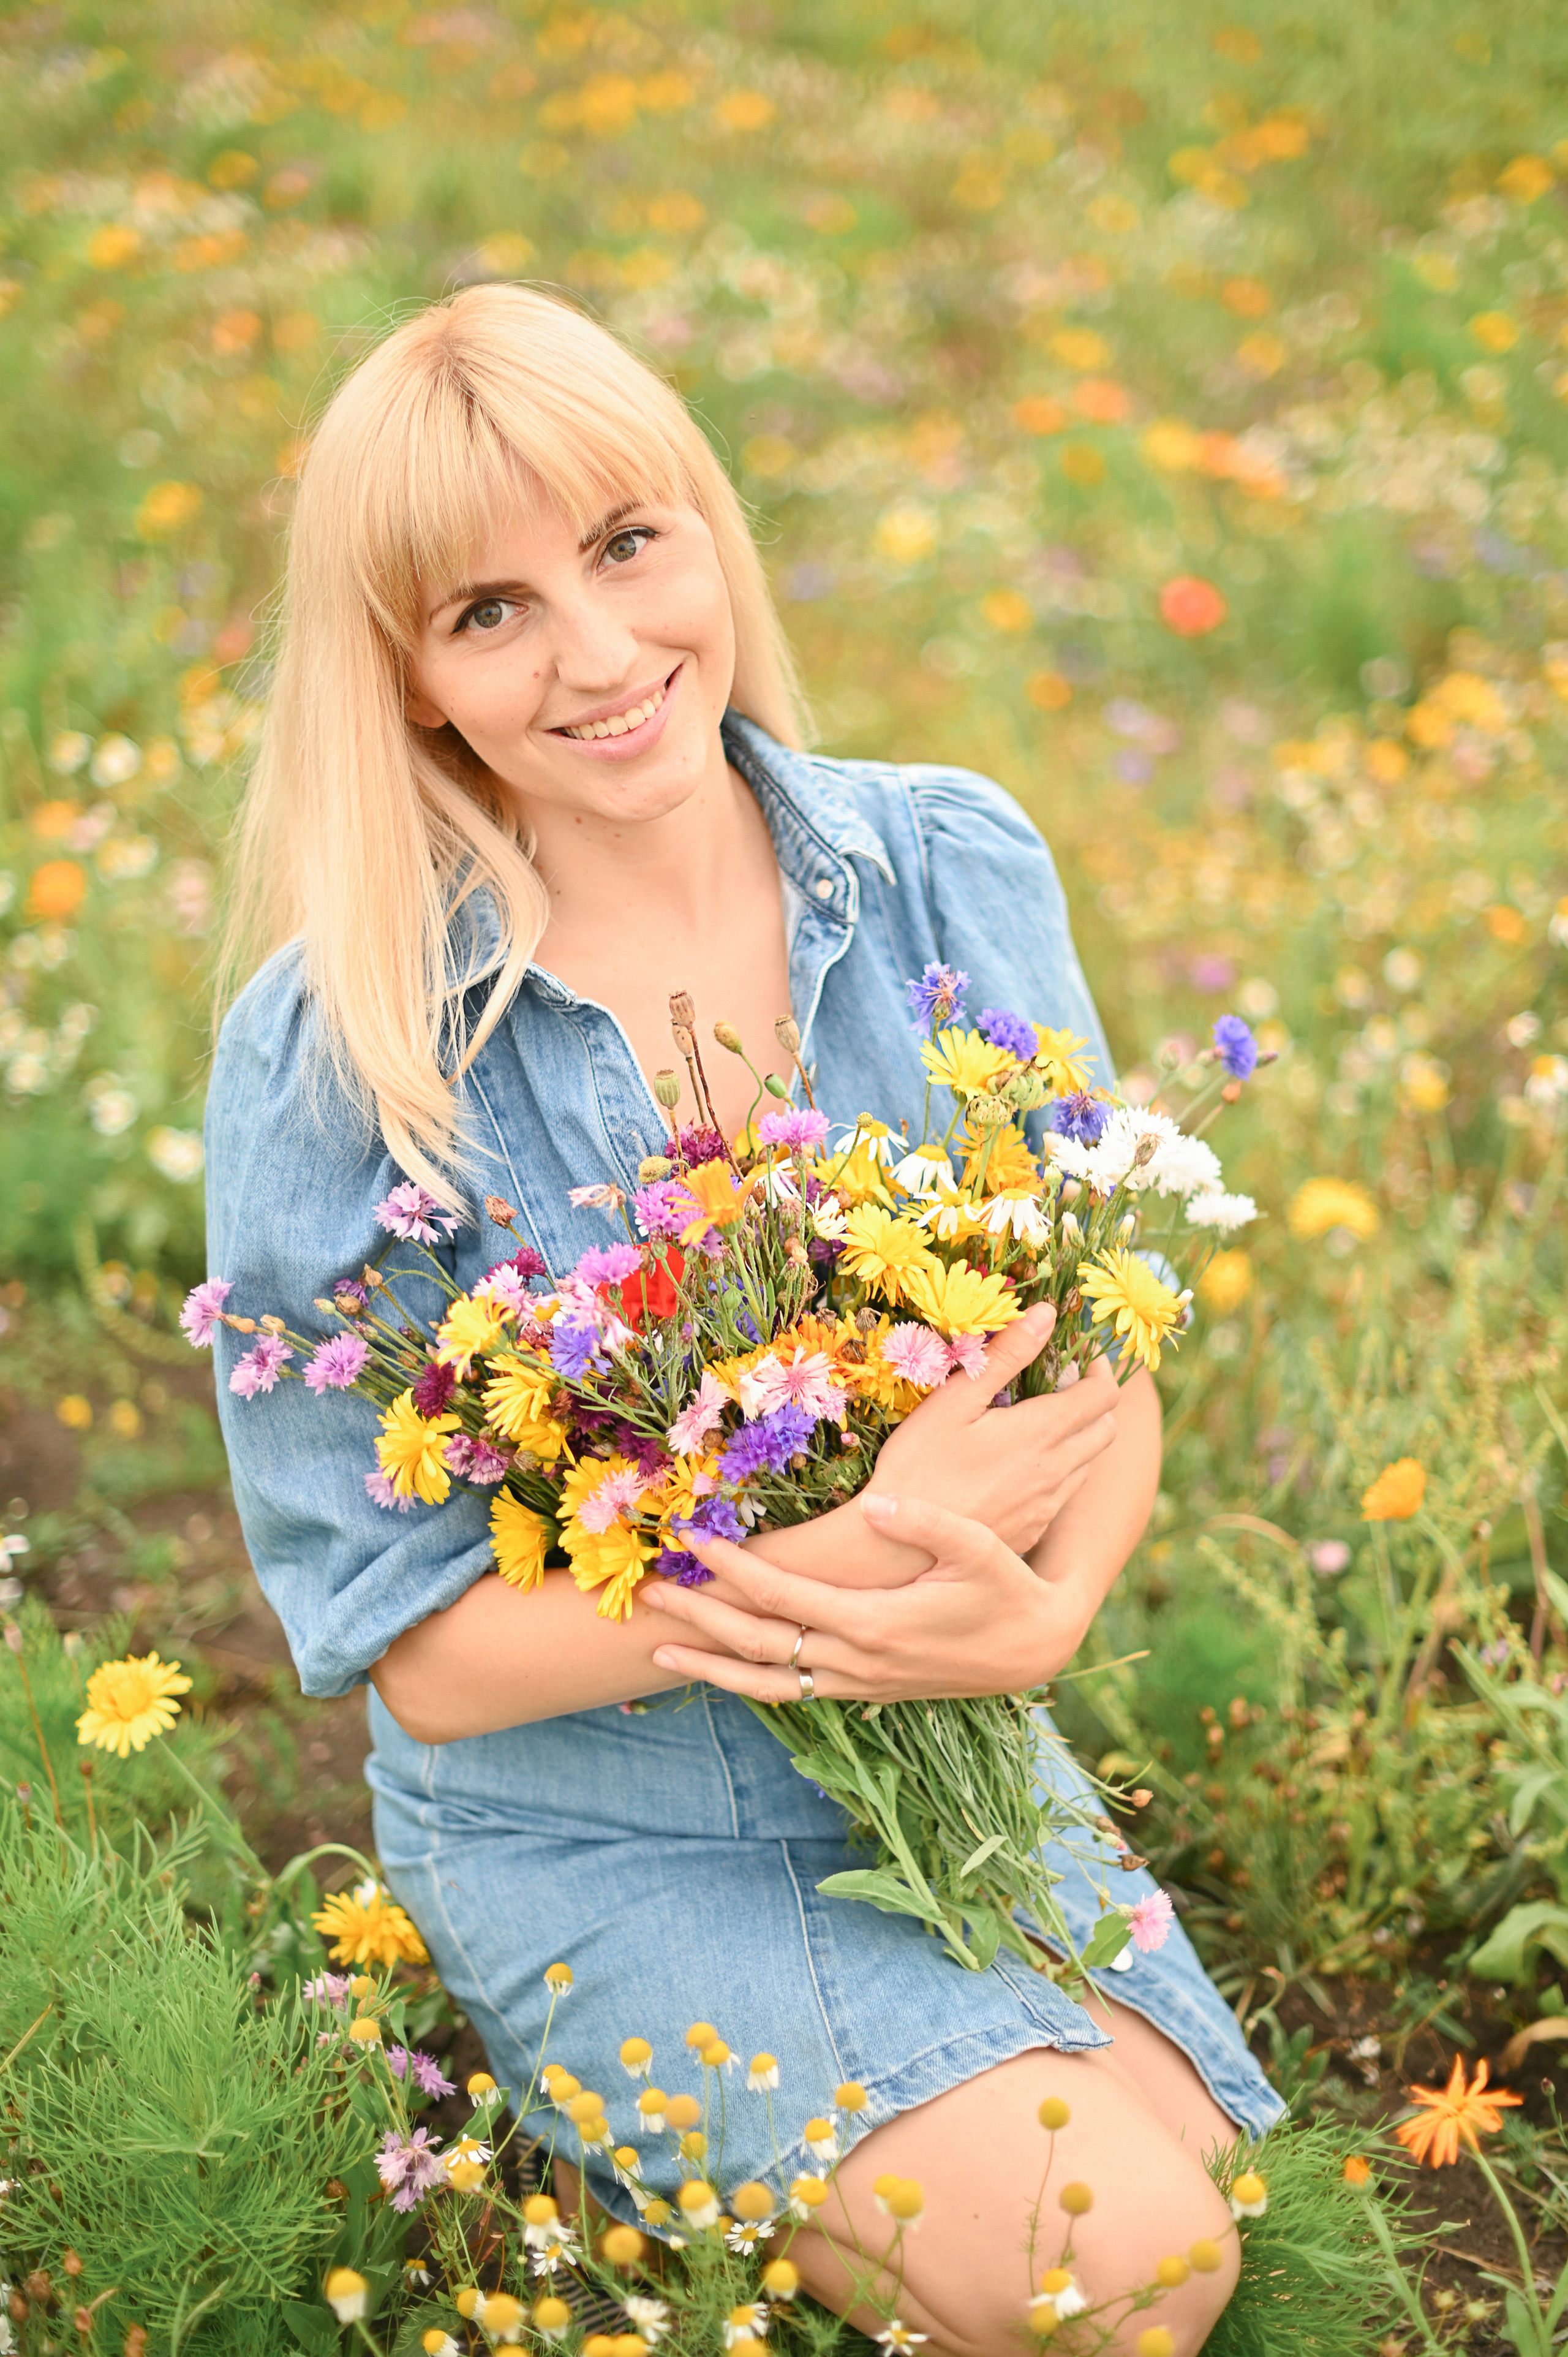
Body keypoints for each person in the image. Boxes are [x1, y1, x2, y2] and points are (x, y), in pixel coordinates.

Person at [206, 283, 1282, 2355]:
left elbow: (1093, 1354)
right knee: (1132, 2272)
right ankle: (604, 2117)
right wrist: (839, 1566)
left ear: (708, 531)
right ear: (409, 682)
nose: (601, 657)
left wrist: (1050, 1617)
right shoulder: (348, 1056)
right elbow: (416, 1653)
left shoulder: (947, 864)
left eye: (627, 546)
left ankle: (736, 2181)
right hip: (599, 1826)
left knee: (1186, 2207)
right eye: (489, 611)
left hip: (945, 1745)